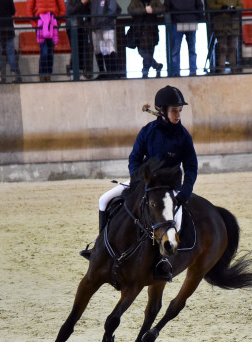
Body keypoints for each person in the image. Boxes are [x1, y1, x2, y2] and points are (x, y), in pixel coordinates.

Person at [80, 86, 198, 281]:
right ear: (162, 111)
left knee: (173, 221)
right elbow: (134, 158)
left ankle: (164, 262)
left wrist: (185, 192)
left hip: (169, 189)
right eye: (174, 110)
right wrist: (138, 179)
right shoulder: (147, 131)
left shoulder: (183, 137)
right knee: (104, 200)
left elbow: (191, 167)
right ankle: (99, 248)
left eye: (180, 111)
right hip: (144, 183)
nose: (178, 115)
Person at [27, 0, 66, 82]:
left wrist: (57, 23)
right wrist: (35, 25)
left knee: (50, 51)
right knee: (44, 51)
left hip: (52, 23)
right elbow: (29, 9)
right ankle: (42, 74)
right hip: (40, 23)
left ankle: (48, 75)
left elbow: (63, 8)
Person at [164, 0, 203, 77]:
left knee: (177, 49)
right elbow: (199, 6)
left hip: (180, 22)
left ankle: (176, 72)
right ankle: (192, 71)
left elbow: (166, 7)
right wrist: (197, 18)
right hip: (187, 21)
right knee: (190, 49)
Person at [127, 0, 165, 78]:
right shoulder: (135, 1)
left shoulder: (155, 1)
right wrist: (144, 10)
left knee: (150, 52)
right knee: (142, 51)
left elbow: (162, 9)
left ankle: (145, 72)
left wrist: (152, 10)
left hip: (152, 30)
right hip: (139, 30)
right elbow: (130, 10)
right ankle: (156, 66)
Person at [208, 0, 242, 73]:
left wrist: (235, 9)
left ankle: (234, 70)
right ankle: (222, 71)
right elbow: (211, 6)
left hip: (233, 25)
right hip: (220, 25)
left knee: (233, 48)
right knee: (223, 48)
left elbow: (241, 5)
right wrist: (221, 7)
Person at [91, 0, 121, 79]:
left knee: (109, 48)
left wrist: (105, 21)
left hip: (106, 27)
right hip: (95, 27)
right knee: (98, 49)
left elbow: (115, 9)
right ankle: (103, 73)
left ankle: (114, 73)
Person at [66, 0, 94, 80]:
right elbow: (71, 11)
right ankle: (73, 73)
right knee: (76, 50)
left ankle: (80, 72)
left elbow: (87, 13)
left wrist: (89, 4)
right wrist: (82, 3)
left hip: (81, 26)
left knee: (82, 49)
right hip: (73, 27)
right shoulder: (71, 2)